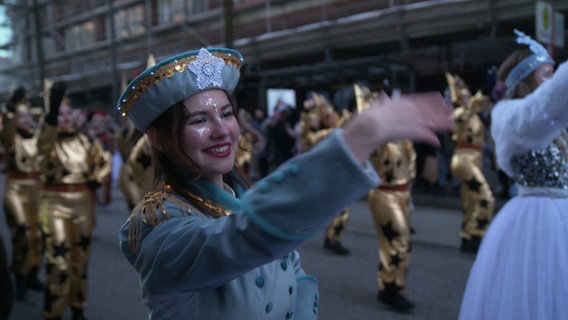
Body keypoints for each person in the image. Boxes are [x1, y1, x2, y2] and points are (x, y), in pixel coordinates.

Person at [116, 47, 453, 319]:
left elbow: (293, 277)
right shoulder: (155, 224)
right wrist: (354, 143)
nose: (222, 130)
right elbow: (242, 237)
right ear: (159, 139)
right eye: (200, 120)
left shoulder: (239, 197)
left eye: (227, 113)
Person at [459, 29, 568, 319]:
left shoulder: (557, 124)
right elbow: (544, 107)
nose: (553, 80)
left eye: (554, 73)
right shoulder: (509, 116)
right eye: (547, 74)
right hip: (537, 224)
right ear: (525, 81)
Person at [38, 83, 111, 320]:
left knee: (81, 260)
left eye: (68, 113)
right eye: (59, 114)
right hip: (53, 203)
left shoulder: (85, 142)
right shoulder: (47, 143)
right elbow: (43, 143)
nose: (65, 118)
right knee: (59, 261)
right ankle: (53, 312)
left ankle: (78, 309)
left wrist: (95, 180)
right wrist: (51, 111)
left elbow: (105, 161)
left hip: (81, 203)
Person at [355, 83, 417, 312]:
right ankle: (389, 288)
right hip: (384, 194)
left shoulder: (401, 135)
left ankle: (393, 285)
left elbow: (411, 160)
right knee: (397, 241)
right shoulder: (376, 136)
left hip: (402, 192)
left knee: (402, 242)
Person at [1, 86, 44, 300]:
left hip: (37, 188)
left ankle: (33, 274)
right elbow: (6, 131)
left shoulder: (37, 138)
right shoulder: (10, 139)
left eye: (28, 116)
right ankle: (19, 276)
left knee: (37, 235)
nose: (26, 120)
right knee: (22, 232)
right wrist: (9, 108)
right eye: (21, 117)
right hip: (16, 188)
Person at [446, 72, 495, 254]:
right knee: (485, 197)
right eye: (465, 96)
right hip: (464, 158)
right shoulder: (459, 113)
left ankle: (466, 238)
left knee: (470, 200)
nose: (468, 98)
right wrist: (484, 89)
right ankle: (477, 233)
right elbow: (474, 105)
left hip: (474, 158)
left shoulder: (473, 114)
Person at [298, 92, 353, 255]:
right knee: (340, 208)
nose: (333, 118)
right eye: (329, 116)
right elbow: (309, 140)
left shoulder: (331, 131)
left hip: (335, 173)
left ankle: (332, 237)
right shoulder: (322, 134)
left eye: (334, 115)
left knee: (340, 208)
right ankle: (332, 238)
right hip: (327, 174)